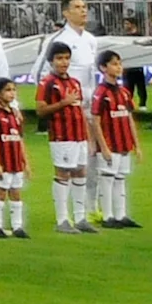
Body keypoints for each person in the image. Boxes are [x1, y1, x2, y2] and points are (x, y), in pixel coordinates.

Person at [39, 44, 94, 233]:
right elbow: (40, 110)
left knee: (80, 173)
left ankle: (80, 218)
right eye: (60, 58)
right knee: (63, 174)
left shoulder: (74, 83)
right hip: (62, 136)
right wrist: (63, 103)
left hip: (79, 136)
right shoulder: (47, 83)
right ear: (51, 61)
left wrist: (88, 136)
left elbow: (79, 109)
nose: (64, 62)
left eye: (67, 58)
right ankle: (62, 219)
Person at [94, 51, 144, 229]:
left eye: (119, 63)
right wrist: (103, 146)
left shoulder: (124, 93)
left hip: (124, 145)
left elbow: (129, 119)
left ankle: (121, 214)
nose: (119, 67)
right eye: (114, 64)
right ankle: (107, 216)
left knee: (120, 179)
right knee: (107, 179)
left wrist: (136, 145)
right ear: (103, 68)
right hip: (110, 145)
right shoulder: (101, 93)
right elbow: (96, 120)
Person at [0, 75, 30, 238]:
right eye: (7, 90)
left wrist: (26, 162)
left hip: (15, 161)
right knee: (0, 193)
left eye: (13, 90)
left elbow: (20, 139)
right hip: (3, 161)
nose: (12, 93)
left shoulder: (15, 115)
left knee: (16, 192)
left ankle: (17, 226)